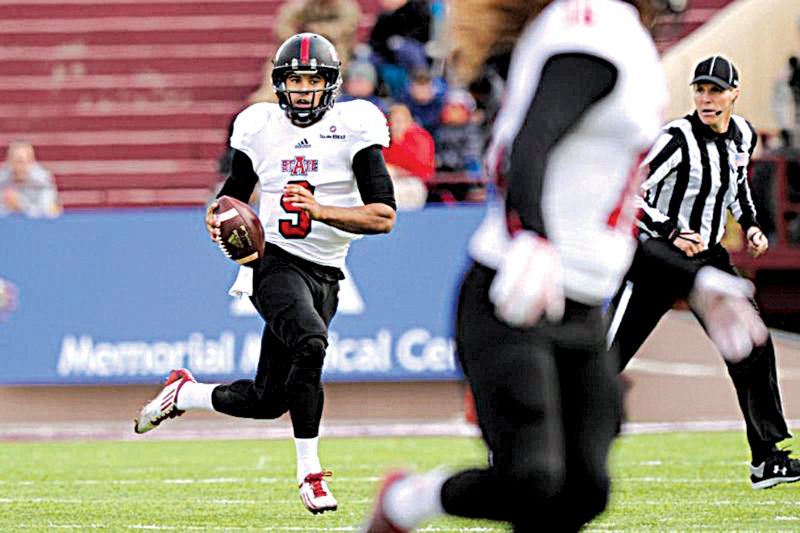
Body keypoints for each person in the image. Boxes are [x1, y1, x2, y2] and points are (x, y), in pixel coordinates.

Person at [362, 1, 769, 532]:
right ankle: (405, 504)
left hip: (578, 308)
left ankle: (407, 501)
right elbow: (532, 142)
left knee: (585, 490)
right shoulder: (596, 28)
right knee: (533, 476)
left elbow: (601, 210)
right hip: (516, 294)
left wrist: (693, 279)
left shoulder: (619, 35)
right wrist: (531, 233)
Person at [134, 33, 396, 514]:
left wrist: (321, 211)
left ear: (330, 86)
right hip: (270, 260)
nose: (301, 90)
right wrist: (217, 218)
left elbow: (383, 216)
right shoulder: (260, 126)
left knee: (268, 399)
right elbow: (232, 194)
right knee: (311, 343)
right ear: (279, 84)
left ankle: (185, 393)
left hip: (327, 271)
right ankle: (310, 475)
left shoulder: (355, 126)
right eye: (293, 80)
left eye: (310, 80)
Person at [606, 54, 800, 490]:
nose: (706, 98)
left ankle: (767, 457)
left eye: (715, 90)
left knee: (752, 344)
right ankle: (534, 441)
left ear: (735, 93)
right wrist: (671, 230)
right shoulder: (675, 138)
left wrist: (750, 225)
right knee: (604, 357)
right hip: (659, 255)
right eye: (700, 89)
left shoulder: (743, 135)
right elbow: (628, 190)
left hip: (709, 256)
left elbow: (737, 188)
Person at [382, 103, 434, 209]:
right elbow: (379, 163)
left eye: (401, 121)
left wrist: (400, 142)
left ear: (409, 121)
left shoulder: (420, 137)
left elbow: (422, 168)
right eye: (394, 121)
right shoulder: (385, 138)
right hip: (391, 181)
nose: (397, 125)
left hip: (414, 183)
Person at [274, 0, 362, 63]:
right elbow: (282, 27)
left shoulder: (347, 7)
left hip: (336, 52)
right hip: (301, 50)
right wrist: (297, 38)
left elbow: (344, 29)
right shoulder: (301, 5)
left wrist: (318, 30)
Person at [0, 141, 60, 218]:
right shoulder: (2, 178)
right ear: (9, 161)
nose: (19, 166)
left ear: (31, 161)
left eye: (22, 161)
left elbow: (47, 210)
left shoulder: (42, 179)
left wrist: (21, 204)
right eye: (15, 161)